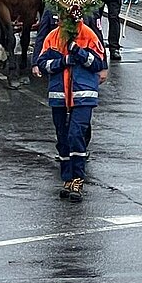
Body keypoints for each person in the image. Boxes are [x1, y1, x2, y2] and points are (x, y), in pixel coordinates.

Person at [35, 16, 108, 202]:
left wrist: (78, 51)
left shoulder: (89, 35)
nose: (60, 21)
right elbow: (43, 63)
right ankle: (67, 178)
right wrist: (63, 61)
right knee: (62, 138)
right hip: (59, 96)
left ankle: (77, 179)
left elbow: (97, 63)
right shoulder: (52, 37)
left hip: (83, 95)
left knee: (76, 134)